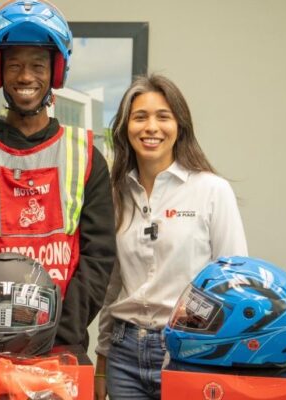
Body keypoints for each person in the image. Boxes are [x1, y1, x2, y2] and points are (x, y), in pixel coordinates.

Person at [0, 0, 116, 351]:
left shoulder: (86, 156)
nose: (25, 77)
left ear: (55, 72)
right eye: (14, 65)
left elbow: (99, 256)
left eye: (38, 65)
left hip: (63, 344)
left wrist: (54, 332)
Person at [94, 74, 248, 400]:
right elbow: (111, 287)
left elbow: (234, 284)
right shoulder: (116, 194)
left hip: (191, 352)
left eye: (163, 116)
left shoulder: (211, 190)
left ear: (180, 126)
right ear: (125, 128)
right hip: (124, 354)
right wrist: (102, 361)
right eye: (140, 117)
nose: (151, 127)